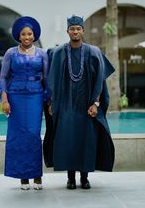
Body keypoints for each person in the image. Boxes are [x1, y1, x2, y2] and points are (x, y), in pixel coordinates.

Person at [44, 15, 115, 190]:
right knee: (68, 140)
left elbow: (100, 81)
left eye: (78, 28)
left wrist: (95, 104)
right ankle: (70, 178)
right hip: (66, 106)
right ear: (67, 31)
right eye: (72, 28)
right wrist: (52, 102)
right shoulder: (58, 52)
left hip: (86, 106)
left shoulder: (94, 52)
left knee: (86, 141)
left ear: (83, 31)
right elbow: (51, 79)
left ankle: (84, 178)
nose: (75, 31)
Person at [0, 16, 49, 191]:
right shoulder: (10, 53)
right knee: (18, 135)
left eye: (29, 34)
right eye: (23, 34)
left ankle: (37, 175)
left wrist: (50, 100)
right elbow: (3, 77)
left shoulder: (42, 53)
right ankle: (23, 177)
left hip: (35, 97)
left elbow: (47, 78)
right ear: (19, 35)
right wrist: (4, 99)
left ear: (34, 35)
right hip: (15, 97)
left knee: (33, 134)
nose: (27, 37)